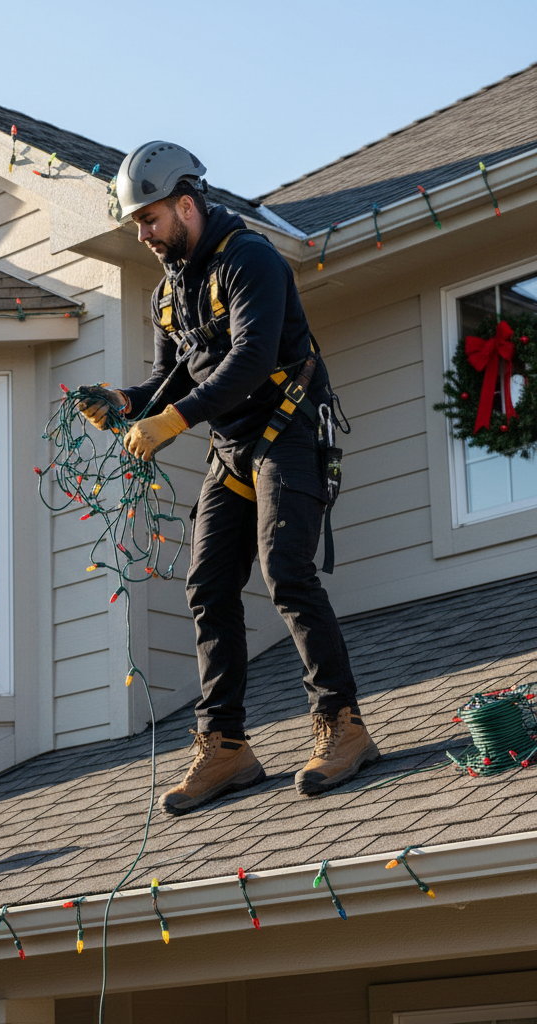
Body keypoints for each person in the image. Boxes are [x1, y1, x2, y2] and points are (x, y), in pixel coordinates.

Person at [77, 142, 379, 814]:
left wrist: (168, 423)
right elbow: (167, 381)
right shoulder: (169, 293)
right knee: (208, 585)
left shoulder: (253, 261)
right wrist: (126, 403)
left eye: (149, 220)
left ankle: (343, 725)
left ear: (186, 203)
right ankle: (226, 746)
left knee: (286, 572)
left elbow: (247, 362)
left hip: (289, 434)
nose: (143, 235)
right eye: (136, 224)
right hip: (232, 447)